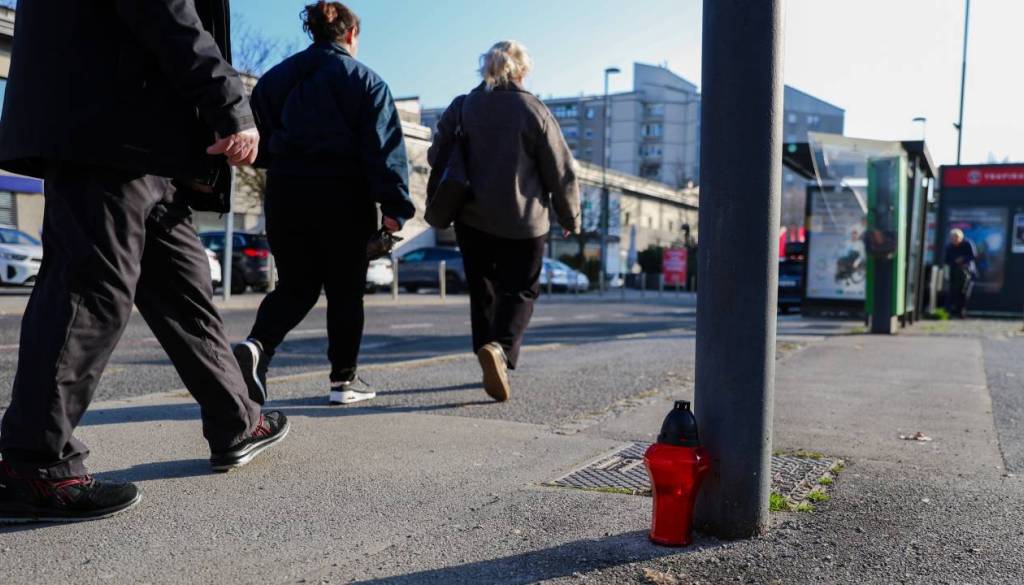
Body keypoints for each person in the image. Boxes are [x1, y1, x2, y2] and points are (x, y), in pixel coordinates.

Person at [0, 0, 290, 523]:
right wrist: (230, 102)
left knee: (184, 285)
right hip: (109, 123)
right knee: (91, 290)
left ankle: (237, 419)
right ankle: (33, 467)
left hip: (144, 133)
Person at [233, 2, 415, 407]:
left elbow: (257, 143)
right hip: (344, 198)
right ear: (350, 35)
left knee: (296, 286)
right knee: (346, 292)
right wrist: (394, 207)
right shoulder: (366, 82)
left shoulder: (275, 80)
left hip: (285, 194)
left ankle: (257, 347)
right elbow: (384, 151)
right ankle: (342, 383)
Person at [428, 41, 580, 402]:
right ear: (523, 71)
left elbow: (437, 154)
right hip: (524, 222)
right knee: (521, 289)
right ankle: (501, 349)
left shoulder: (463, 106)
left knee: (483, 289)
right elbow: (560, 170)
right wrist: (568, 214)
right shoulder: (533, 110)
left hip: (472, 218)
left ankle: (486, 349)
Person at [944, 228, 977, 318]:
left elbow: (973, 256)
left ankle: (961, 311)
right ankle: (950, 311)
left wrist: (962, 259)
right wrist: (955, 262)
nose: (954, 240)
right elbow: (946, 260)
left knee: (965, 293)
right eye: (952, 238)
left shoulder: (967, 244)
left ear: (960, 237)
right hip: (954, 273)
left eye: (956, 238)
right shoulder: (949, 247)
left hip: (967, 273)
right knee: (953, 292)